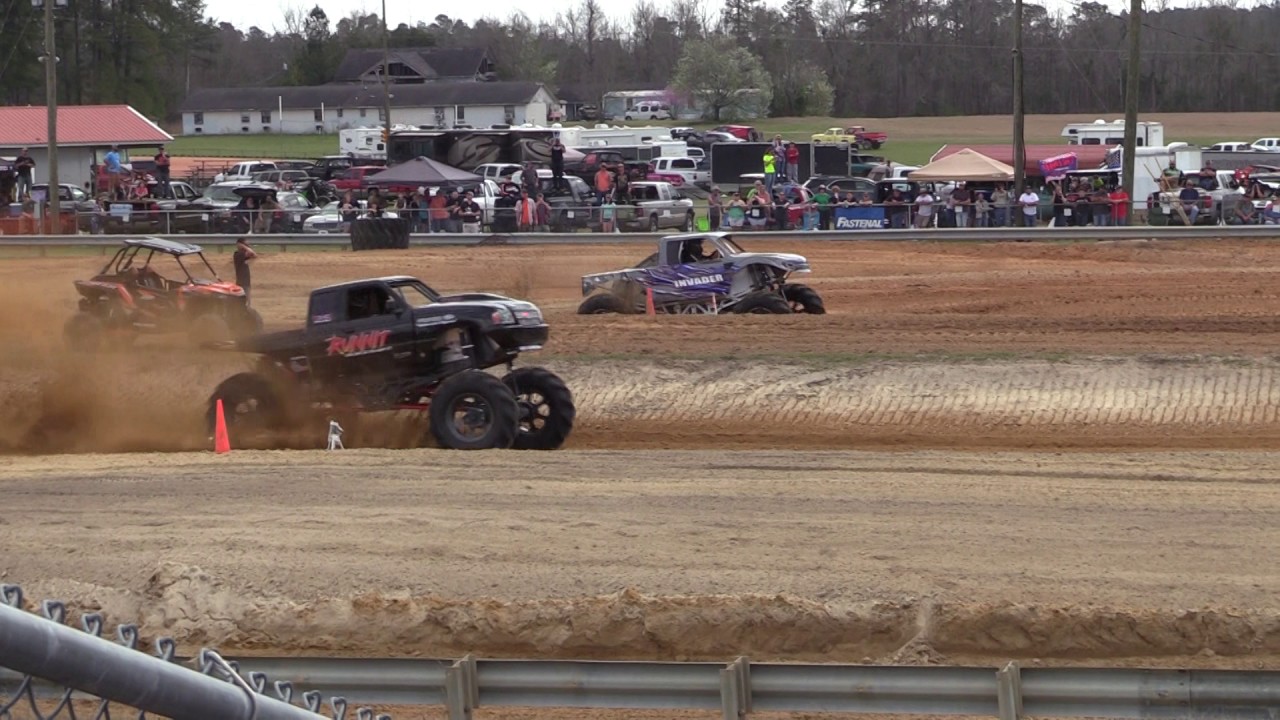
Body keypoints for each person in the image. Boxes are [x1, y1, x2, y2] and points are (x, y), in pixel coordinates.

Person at [233, 238, 257, 303]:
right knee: (245, 301)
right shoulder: (238, 254)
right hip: (242, 282)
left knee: (245, 301)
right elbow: (252, 253)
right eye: (245, 244)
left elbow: (254, 255)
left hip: (245, 281)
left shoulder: (242, 254)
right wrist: (244, 246)